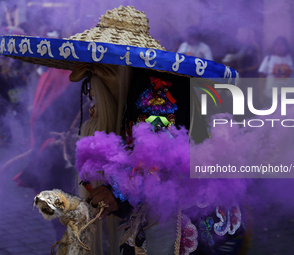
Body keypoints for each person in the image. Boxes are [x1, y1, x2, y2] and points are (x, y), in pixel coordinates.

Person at [1, 6, 247, 255]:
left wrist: (114, 192)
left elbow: (157, 161)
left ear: (110, 66)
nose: (92, 79)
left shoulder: (155, 88)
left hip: (193, 225)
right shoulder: (137, 83)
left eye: (96, 69)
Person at [258, 36, 294, 107]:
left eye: (281, 44)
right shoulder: (268, 59)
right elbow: (261, 79)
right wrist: (261, 95)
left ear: (286, 46)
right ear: (274, 46)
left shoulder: (293, 60)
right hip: (270, 96)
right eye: (277, 44)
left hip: (290, 97)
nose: (279, 47)